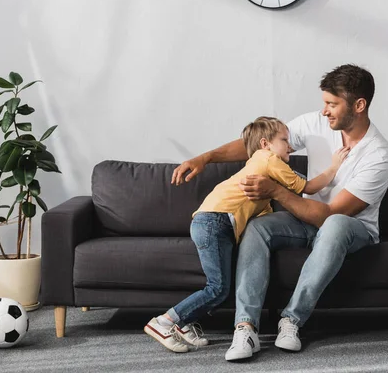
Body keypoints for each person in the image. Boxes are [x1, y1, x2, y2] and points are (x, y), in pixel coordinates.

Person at [171, 64, 388, 361]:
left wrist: (276, 191)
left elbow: (327, 216)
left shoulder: (378, 155)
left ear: (359, 105)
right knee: (258, 226)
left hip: (351, 228)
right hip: (304, 217)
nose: (324, 111)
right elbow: (261, 142)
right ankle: (246, 327)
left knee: (337, 225)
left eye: (332, 104)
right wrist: (206, 157)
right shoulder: (318, 123)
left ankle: (291, 320)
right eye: (324, 103)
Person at [144, 116, 350, 353]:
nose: (290, 146)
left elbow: (263, 218)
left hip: (209, 220)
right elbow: (309, 187)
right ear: (265, 144)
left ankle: (183, 326)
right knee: (218, 288)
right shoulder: (269, 159)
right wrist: (334, 166)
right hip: (215, 221)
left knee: (221, 286)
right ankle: (165, 322)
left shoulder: (258, 168)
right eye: (284, 140)